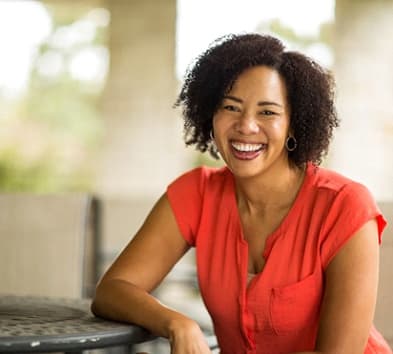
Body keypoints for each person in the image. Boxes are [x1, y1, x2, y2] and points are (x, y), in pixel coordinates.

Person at [91, 33, 392, 354]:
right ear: (211, 115)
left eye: (267, 112)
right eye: (231, 107)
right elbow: (113, 290)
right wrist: (177, 324)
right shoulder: (197, 194)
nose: (246, 125)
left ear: (294, 124)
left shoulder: (344, 205)